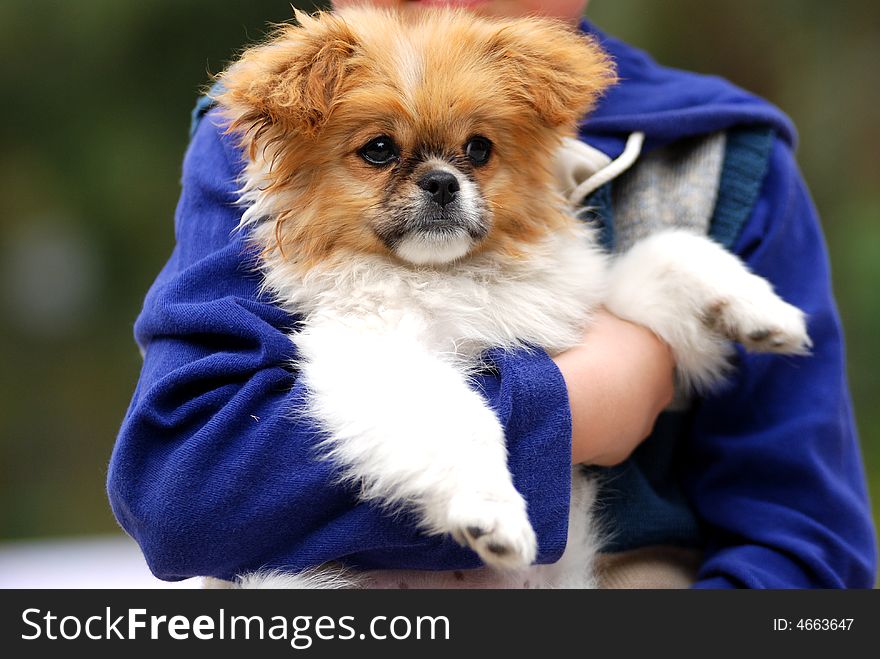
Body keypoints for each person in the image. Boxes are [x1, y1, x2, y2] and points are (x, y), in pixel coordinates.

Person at [108, 0, 877, 588]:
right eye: (381, 152)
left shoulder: (719, 155)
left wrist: (677, 287)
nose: (441, 183)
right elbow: (180, 494)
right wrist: (567, 409)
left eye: (476, 152)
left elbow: (812, 553)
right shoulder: (248, 148)